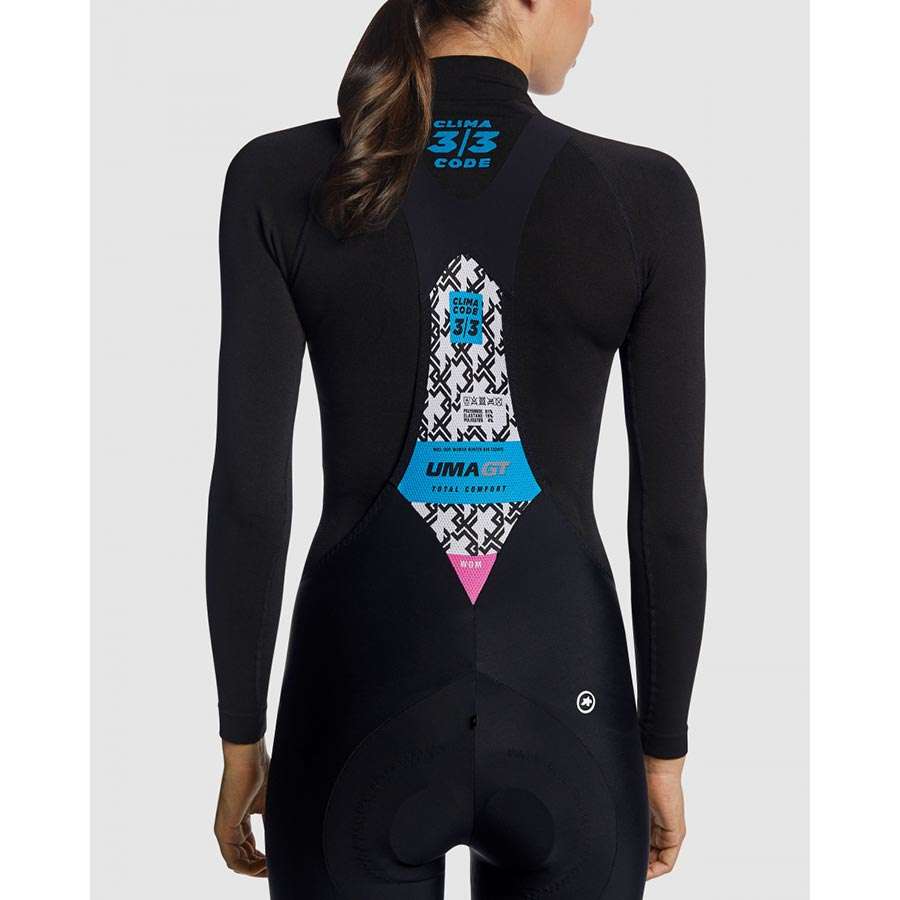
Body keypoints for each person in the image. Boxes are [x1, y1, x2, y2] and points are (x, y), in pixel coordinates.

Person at [206, 0, 706, 897]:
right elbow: (670, 512)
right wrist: (661, 748)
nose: (595, 14)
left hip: (351, 710)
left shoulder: (279, 176)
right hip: (569, 713)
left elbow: (248, 489)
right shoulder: (644, 193)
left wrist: (242, 733)